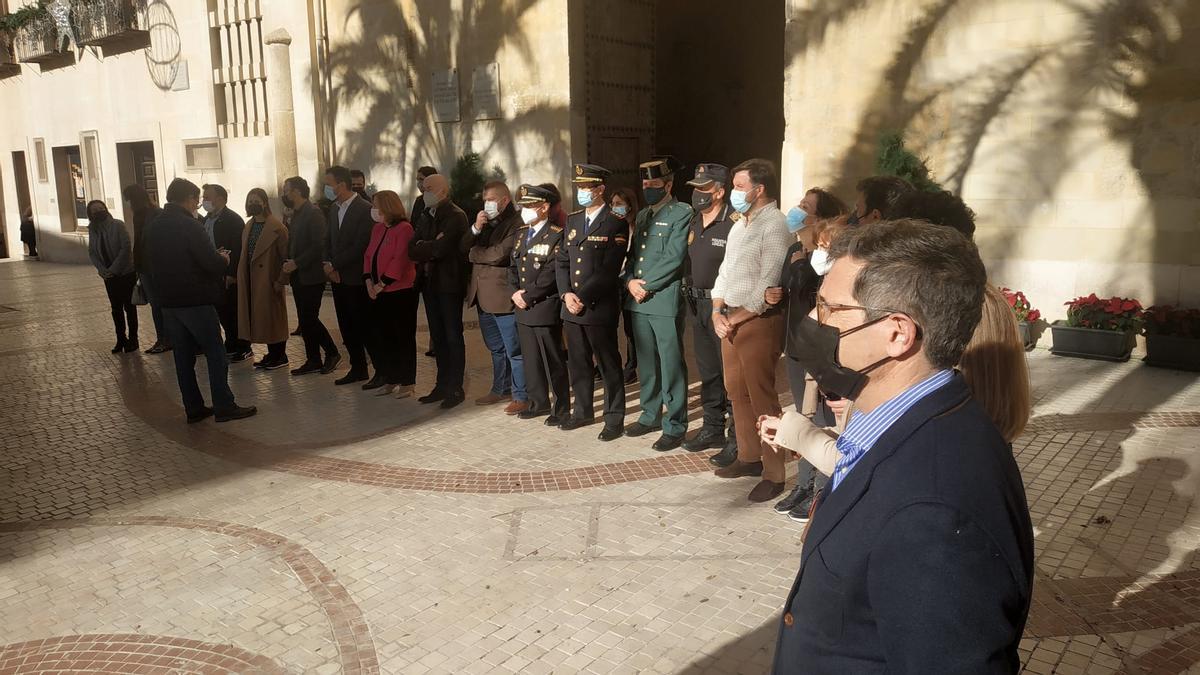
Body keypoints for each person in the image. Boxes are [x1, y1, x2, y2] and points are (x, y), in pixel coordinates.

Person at [765, 219, 1033, 672]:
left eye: (828, 308)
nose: (812, 320)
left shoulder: (934, 509)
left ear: (896, 333)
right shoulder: (898, 420)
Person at [710, 158, 794, 503]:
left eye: (740, 187)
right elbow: (725, 271)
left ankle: (774, 473)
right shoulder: (739, 225)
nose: (734, 193)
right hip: (729, 319)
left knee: (761, 396)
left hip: (756, 322)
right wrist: (717, 310)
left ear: (759, 190)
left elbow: (768, 283)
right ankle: (748, 457)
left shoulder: (774, 225)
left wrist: (737, 317)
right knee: (736, 392)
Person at [145, 178, 256, 424]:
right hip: (196, 300)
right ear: (187, 199)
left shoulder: (154, 226)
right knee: (216, 353)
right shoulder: (190, 225)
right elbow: (210, 263)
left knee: (183, 359)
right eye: (196, 199)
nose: (198, 204)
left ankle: (193, 407)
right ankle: (224, 405)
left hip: (169, 302)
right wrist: (223, 260)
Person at [768, 188, 847, 521]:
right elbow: (791, 292)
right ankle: (803, 484)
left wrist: (803, 267)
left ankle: (819, 490)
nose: (797, 211)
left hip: (821, 352)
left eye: (805, 207)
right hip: (796, 348)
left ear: (821, 218)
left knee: (823, 421)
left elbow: (816, 293)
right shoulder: (794, 250)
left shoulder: (826, 258)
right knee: (803, 415)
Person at [623, 157, 693, 451]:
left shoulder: (681, 213)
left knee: (670, 363)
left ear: (668, 184)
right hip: (638, 299)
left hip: (663, 298)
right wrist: (629, 282)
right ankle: (650, 413)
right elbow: (632, 256)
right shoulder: (642, 216)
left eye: (654, 184)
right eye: (645, 184)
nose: (648, 188)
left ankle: (675, 424)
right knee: (648, 362)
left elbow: (674, 258)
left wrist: (646, 286)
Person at [555, 163, 628, 441]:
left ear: (600, 189)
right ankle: (582, 411)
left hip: (598, 307)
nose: (582, 192)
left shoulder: (615, 221)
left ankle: (614, 417)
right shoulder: (573, 220)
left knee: (608, 363)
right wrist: (566, 295)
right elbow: (562, 261)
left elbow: (609, 269)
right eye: (580, 188)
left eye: (587, 188)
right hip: (571, 307)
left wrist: (582, 297)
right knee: (578, 362)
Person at [681, 163, 739, 464]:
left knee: (730, 375)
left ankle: (736, 438)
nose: (697, 194)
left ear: (719, 191)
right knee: (708, 374)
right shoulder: (695, 221)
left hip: (724, 308)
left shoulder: (734, 222)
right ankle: (712, 428)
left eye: (704, 189)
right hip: (697, 305)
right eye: (696, 188)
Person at [463, 180, 527, 414]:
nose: (486, 204)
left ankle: (521, 394)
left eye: (490, 199)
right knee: (495, 348)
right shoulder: (486, 222)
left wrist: (475, 253)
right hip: (481, 296)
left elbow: (500, 254)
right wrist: (476, 229)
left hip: (501, 295)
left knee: (514, 349)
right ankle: (500, 388)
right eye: (485, 200)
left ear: (504, 200)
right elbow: (463, 247)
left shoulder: (516, 222)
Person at [509, 185, 570, 425]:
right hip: (523, 307)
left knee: (552, 360)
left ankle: (561, 407)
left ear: (544, 208)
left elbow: (551, 272)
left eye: (529, 206)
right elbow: (513, 267)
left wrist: (529, 295)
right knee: (531, 359)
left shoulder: (556, 234)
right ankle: (538, 402)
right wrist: (515, 293)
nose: (524, 211)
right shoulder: (522, 233)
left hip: (543, 306)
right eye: (523, 206)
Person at [409, 172, 470, 409]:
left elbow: (442, 249)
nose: (425, 192)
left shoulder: (455, 215)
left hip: (449, 283)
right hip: (429, 283)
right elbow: (412, 248)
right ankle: (441, 384)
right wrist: (428, 245)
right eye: (423, 188)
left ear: (443, 190)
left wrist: (429, 245)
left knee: (452, 336)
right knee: (438, 335)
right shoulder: (426, 214)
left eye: (429, 188)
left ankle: (455, 387)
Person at [279, 177, 340, 376]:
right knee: (305, 321)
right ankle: (313, 358)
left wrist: (297, 262)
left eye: (286, 190)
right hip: (299, 276)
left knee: (309, 318)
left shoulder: (313, 213)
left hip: (311, 276)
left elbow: (318, 245)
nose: (284, 194)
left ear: (296, 191)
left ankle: (332, 352)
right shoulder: (296, 214)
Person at [322, 165, 376, 386]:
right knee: (346, 325)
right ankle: (357, 367)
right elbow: (328, 240)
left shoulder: (364, 208)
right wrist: (327, 264)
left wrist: (335, 264)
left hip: (354, 277)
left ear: (341, 185)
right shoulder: (334, 208)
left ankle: (379, 370)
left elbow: (360, 245)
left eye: (328, 184)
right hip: (337, 277)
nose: (326, 188)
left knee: (363, 324)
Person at [362, 190, 419, 398]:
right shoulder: (377, 229)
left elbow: (400, 259)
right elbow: (368, 255)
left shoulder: (404, 229)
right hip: (378, 291)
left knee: (402, 336)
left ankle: (407, 380)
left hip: (400, 291)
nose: (373, 210)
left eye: (376, 205)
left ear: (387, 206)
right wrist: (369, 281)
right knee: (385, 336)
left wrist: (381, 284)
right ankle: (391, 377)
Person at [236, 188, 290, 370]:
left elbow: (285, 257)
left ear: (265, 202)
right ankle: (271, 353)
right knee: (261, 318)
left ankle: (280, 355)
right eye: (249, 200)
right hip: (251, 279)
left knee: (274, 318)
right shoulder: (248, 226)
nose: (252, 203)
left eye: (256, 200)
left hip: (269, 279)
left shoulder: (278, 228)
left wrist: (281, 280)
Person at [202, 184, 252, 361]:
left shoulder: (232, 220)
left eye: (208, 197)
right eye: (204, 197)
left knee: (234, 311)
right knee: (222, 311)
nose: (204, 200)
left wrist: (231, 273)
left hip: (228, 274)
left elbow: (238, 249)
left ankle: (243, 345)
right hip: (212, 275)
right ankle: (230, 342)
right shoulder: (206, 220)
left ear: (221, 199)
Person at [86, 200, 139, 353]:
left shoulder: (118, 225)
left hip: (125, 273)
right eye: (95, 210)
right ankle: (121, 339)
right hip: (108, 276)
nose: (99, 211)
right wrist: (102, 270)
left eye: (101, 208)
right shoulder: (93, 230)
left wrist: (114, 269)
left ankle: (133, 339)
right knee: (116, 309)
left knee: (129, 307)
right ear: (90, 214)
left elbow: (125, 248)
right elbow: (92, 252)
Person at [123, 185, 169, 354]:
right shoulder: (139, 215)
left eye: (130, 200)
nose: (129, 204)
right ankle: (163, 338)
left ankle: (165, 339)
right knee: (156, 305)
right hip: (144, 266)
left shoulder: (154, 214)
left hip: (154, 266)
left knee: (158, 304)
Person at [609, 187, 640, 384]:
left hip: (629, 282)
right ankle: (609, 365)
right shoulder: (610, 226)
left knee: (631, 329)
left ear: (630, 206)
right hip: (613, 282)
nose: (615, 208)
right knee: (610, 326)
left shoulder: (637, 227)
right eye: (612, 204)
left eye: (619, 204)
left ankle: (631, 367)